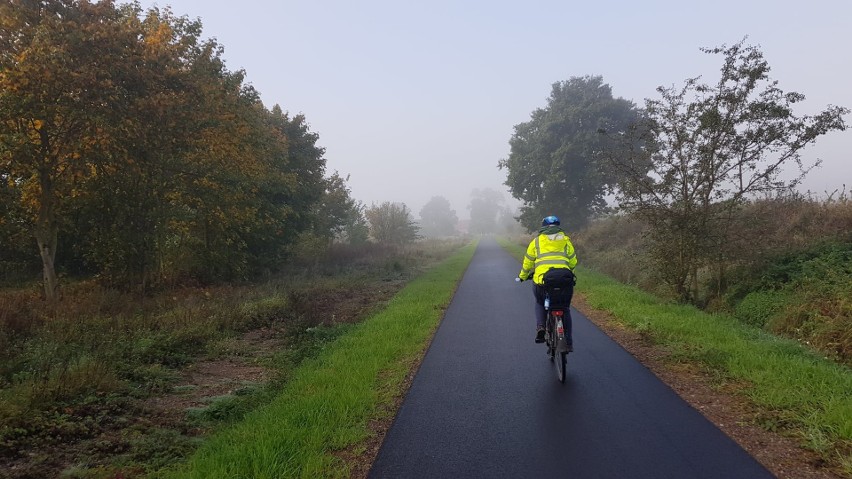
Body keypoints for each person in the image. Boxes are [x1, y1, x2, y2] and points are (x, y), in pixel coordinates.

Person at [517, 215, 578, 347]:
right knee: (565, 308)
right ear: (558, 227)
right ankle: (568, 341)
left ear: (543, 227)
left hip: (542, 281)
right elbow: (573, 262)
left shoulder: (537, 242)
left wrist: (522, 276)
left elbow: (528, 263)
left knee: (540, 302)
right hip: (564, 280)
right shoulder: (566, 241)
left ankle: (540, 327)